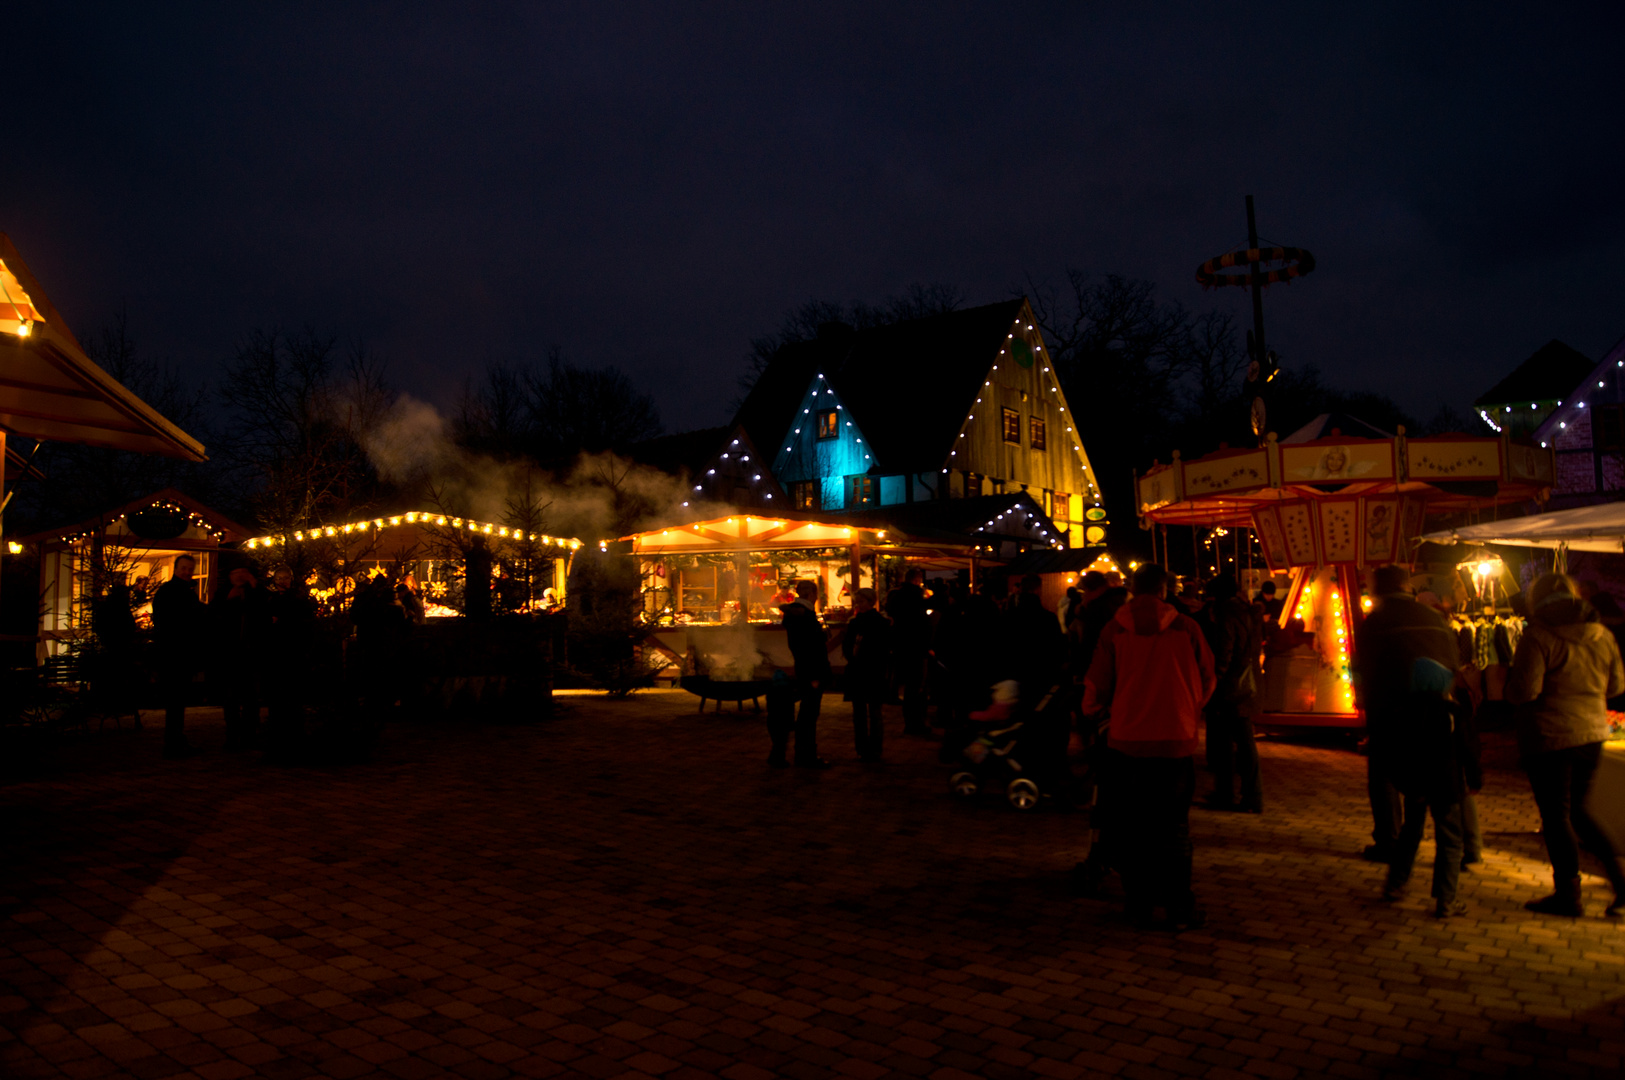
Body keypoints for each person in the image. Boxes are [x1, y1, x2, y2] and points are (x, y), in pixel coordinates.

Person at [1082, 563, 1215, 930]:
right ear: (1163, 590)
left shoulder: (1114, 630)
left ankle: (1138, 905)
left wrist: (1096, 713)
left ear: (1131, 588)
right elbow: (1208, 678)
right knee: (1173, 828)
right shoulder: (1187, 628)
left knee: (1134, 828)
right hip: (1175, 743)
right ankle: (1178, 909)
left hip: (1127, 743)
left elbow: (1096, 686)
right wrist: (1187, 709)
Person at [1507, 572, 1625, 917]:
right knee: (1581, 813)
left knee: (1557, 817)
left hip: (1550, 736)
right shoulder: (1602, 633)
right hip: (1591, 732)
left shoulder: (1538, 635)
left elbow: (1525, 690)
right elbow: (1616, 686)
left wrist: (1511, 691)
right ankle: (1620, 883)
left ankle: (1568, 895)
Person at [1352, 566, 1452, 866]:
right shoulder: (1432, 618)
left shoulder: (1376, 622)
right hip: (1434, 706)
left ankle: (1390, 839)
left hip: (1391, 707)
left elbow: (1364, 667)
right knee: (1432, 773)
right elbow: (1452, 660)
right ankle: (1461, 844)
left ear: (1379, 589)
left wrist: (1366, 701)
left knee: (1384, 774)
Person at [1199, 573, 1264, 813]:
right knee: (1243, 742)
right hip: (1248, 683)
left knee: (1228, 743)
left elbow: (1224, 653)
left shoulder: (1227, 614)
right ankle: (1246, 794)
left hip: (1231, 686)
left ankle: (1234, 794)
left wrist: (1213, 683)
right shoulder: (1249, 612)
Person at [151, 554, 207, 759]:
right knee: (175, 699)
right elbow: (171, 623)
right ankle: (173, 742)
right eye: (184, 568)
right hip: (174, 653)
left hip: (178, 652)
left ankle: (175, 739)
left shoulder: (185, 591)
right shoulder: (171, 592)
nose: (187, 572)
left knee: (177, 699)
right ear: (176, 568)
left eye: (190, 569)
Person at [215, 566, 270, 751]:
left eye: (242, 573)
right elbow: (215, 616)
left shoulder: (254, 592)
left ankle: (249, 734)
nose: (239, 576)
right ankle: (232, 735)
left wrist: (254, 584)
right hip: (230, 653)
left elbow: (264, 610)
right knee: (231, 698)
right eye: (235, 573)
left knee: (250, 697)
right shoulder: (224, 593)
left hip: (250, 652)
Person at [265, 566, 316, 763]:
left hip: (293, 656)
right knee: (279, 702)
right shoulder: (272, 600)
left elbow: (303, 626)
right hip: (277, 658)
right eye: (279, 578)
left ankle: (292, 742)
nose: (282, 581)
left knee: (292, 701)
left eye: (286, 578)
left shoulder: (298, 600)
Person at [779, 580, 831, 768]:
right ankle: (806, 754)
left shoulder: (795, 614)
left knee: (806, 713)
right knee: (809, 713)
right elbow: (812, 648)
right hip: (812, 669)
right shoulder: (805, 615)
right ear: (813, 594)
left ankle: (803, 752)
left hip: (803, 666)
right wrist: (816, 675)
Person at [842, 587, 891, 761]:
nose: (859, 605)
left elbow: (849, 647)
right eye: (857, 602)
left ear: (870, 602)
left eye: (861, 601)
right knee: (865, 712)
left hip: (866, 670)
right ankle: (868, 748)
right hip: (869, 671)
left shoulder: (865, 623)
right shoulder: (876, 622)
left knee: (867, 712)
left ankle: (868, 748)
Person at [886, 568, 931, 735]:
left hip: (901, 645)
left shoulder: (896, 595)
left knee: (906, 683)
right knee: (917, 685)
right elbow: (922, 622)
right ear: (916, 579)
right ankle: (916, 723)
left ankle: (909, 722)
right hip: (916, 645)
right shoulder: (916, 596)